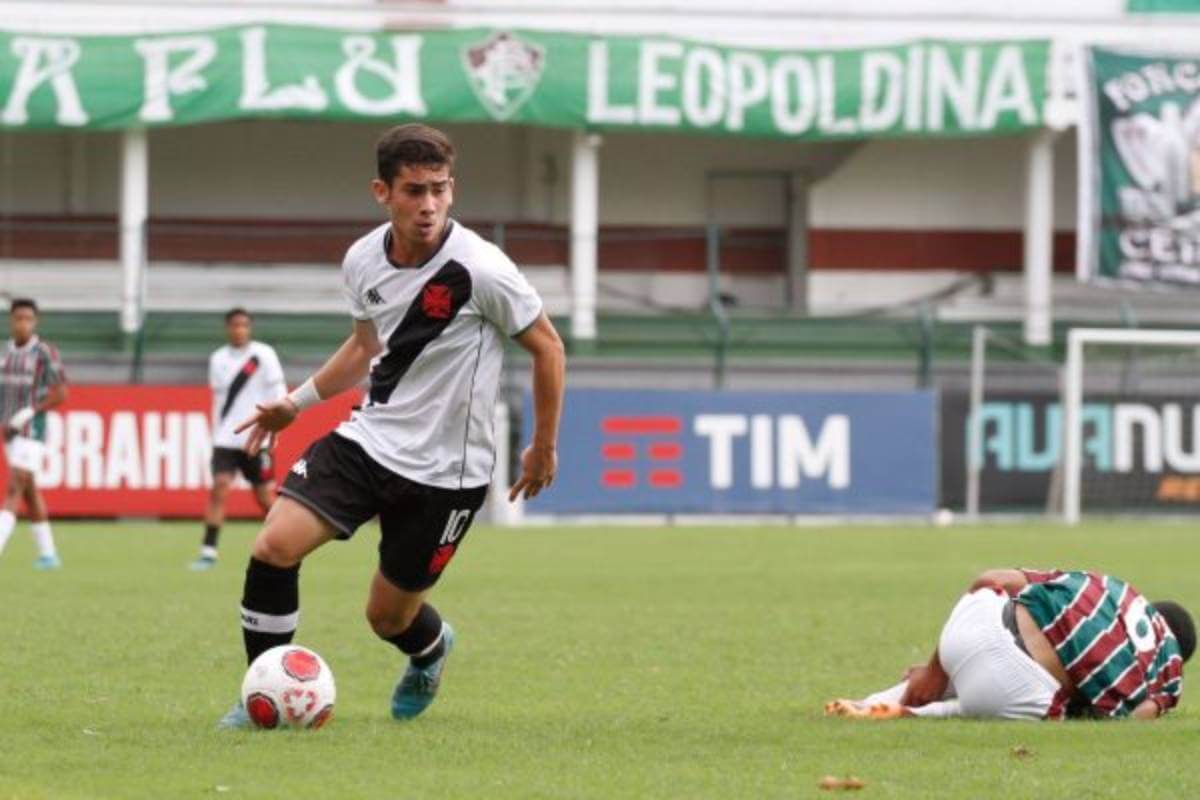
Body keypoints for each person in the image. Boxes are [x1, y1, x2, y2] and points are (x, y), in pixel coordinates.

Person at [218, 123, 565, 728]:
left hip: (446, 473)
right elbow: (364, 346)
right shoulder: (361, 259)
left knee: (388, 617)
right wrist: (295, 403)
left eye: (438, 189)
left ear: (451, 189)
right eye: (413, 191)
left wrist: (542, 444)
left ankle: (430, 650)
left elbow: (549, 348)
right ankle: (261, 699)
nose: (428, 205)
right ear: (383, 191)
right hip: (369, 440)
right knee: (273, 547)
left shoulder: (482, 269)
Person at [826, 567, 1193, 721]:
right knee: (1062, 711)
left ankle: (885, 697)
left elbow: (989, 578)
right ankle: (913, 715)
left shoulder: (1109, 585)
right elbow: (1129, 719)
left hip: (971, 625)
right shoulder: (1167, 669)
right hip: (1009, 689)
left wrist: (936, 669)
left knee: (987, 629)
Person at [190, 308, 286, 571]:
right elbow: (220, 398)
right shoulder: (218, 358)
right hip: (225, 437)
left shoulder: (263, 355)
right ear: (227, 328)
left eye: (244, 325)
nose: (239, 330)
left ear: (250, 328)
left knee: (265, 496)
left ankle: (288, 541)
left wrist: (272, 423)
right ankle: (208, 551)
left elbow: (277, 390)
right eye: (234, 325)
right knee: (219, 487)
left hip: (257, 436)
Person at [0, 298, 68, 569]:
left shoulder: (44, 352)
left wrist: (31, 412)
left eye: (28, 319)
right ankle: (49, 554)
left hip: (33, 430)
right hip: (9, 431)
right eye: (18, 318)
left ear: (35, 322)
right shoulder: (4, 353)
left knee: (15, 485)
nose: (23, 324)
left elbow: (62, 392)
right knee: (28, 490)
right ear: (11, 320)